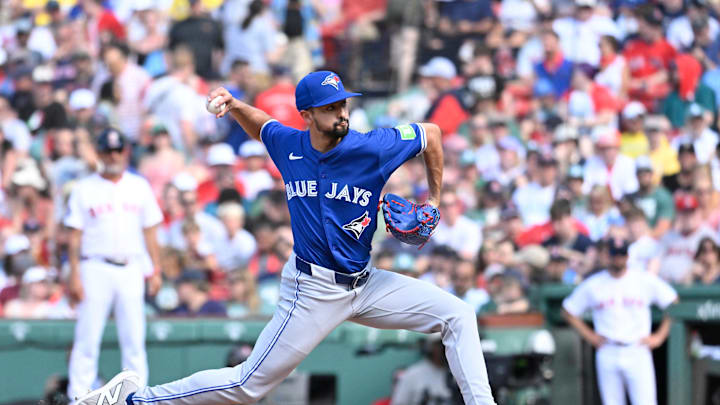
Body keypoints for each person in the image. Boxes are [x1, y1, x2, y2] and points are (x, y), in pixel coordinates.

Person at [75, 71, 496, 405]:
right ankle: (134, 401)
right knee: (246, 385)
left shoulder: (371, 147)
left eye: (343, 103)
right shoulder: (289, 145)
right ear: (308, 115)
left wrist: (436, 202)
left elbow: (432, 135)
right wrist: (237, 105)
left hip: (365, 284)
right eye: (329, 107)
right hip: (311, 290)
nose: (341, 112)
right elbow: (264, 127)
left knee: (458, 315)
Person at [64, 128, 163, 401]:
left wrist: (156, 269)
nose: (113, 155)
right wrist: (73, 275)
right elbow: (74, 236)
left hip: (131, 267)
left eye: (117, 150)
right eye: (107, 151)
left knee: (134, 340)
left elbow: (150, 231)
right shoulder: (84, 188)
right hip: (94, 266)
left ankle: (136, 397)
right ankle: (78, 397)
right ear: (98, 153)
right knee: (87, 339)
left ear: (125, 152)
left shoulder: (139, 186)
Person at [562, 238, 678, 405]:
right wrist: (590, 336)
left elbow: (673, 302)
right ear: (607, 256)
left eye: (622, 255)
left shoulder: (643, 279)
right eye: (614, 255)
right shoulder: (594, 283)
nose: (618, 259)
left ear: (627, 256)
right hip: (607, 349)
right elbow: (568, 310)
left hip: (637, 349)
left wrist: (659, 336)